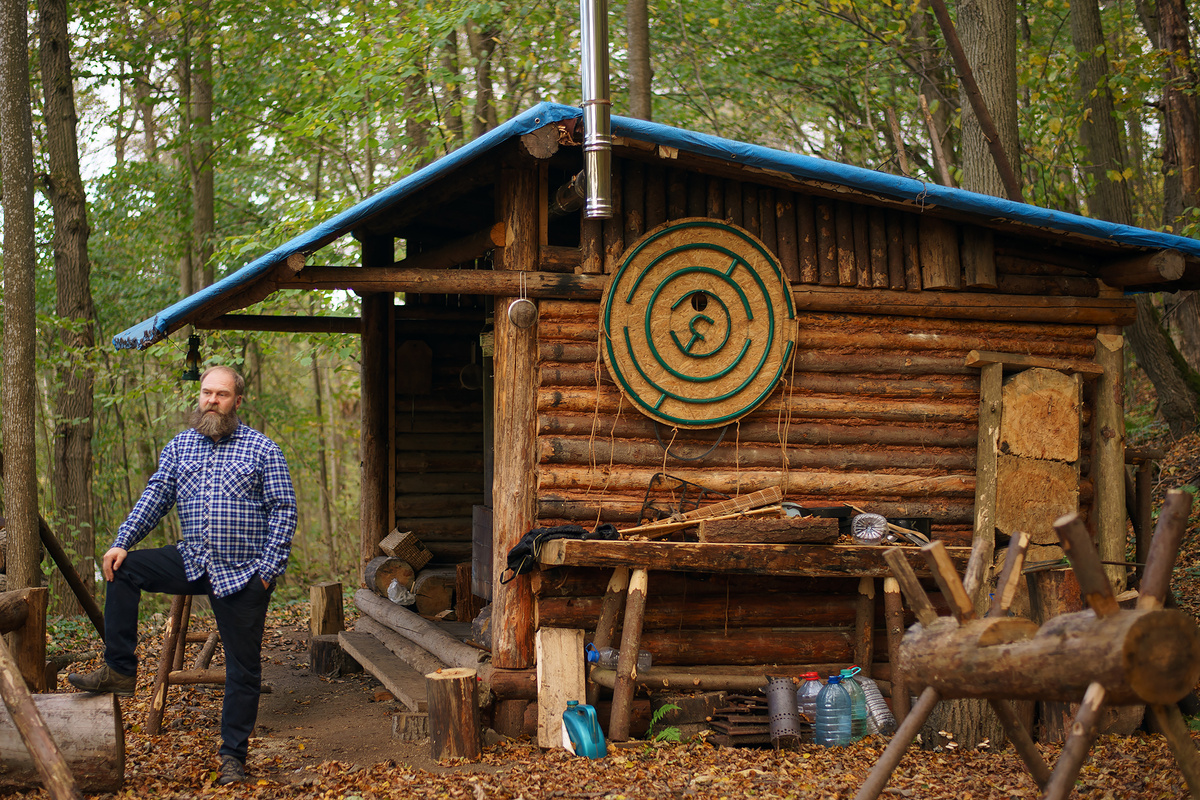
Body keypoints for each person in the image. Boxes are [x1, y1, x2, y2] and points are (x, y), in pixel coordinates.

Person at [69, 365, 298, 786]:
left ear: (238, 401)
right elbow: (156, 495)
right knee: (125, 569)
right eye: (207, 392)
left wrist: (268, 570)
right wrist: (122, 540)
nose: (212, 400)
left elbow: (284, 510)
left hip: (243, 572)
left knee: (243, 670)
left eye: (222, 394)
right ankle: (119, 668)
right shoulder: (180, 447)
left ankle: (232, 758)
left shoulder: (263, 450)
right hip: (192, 559)